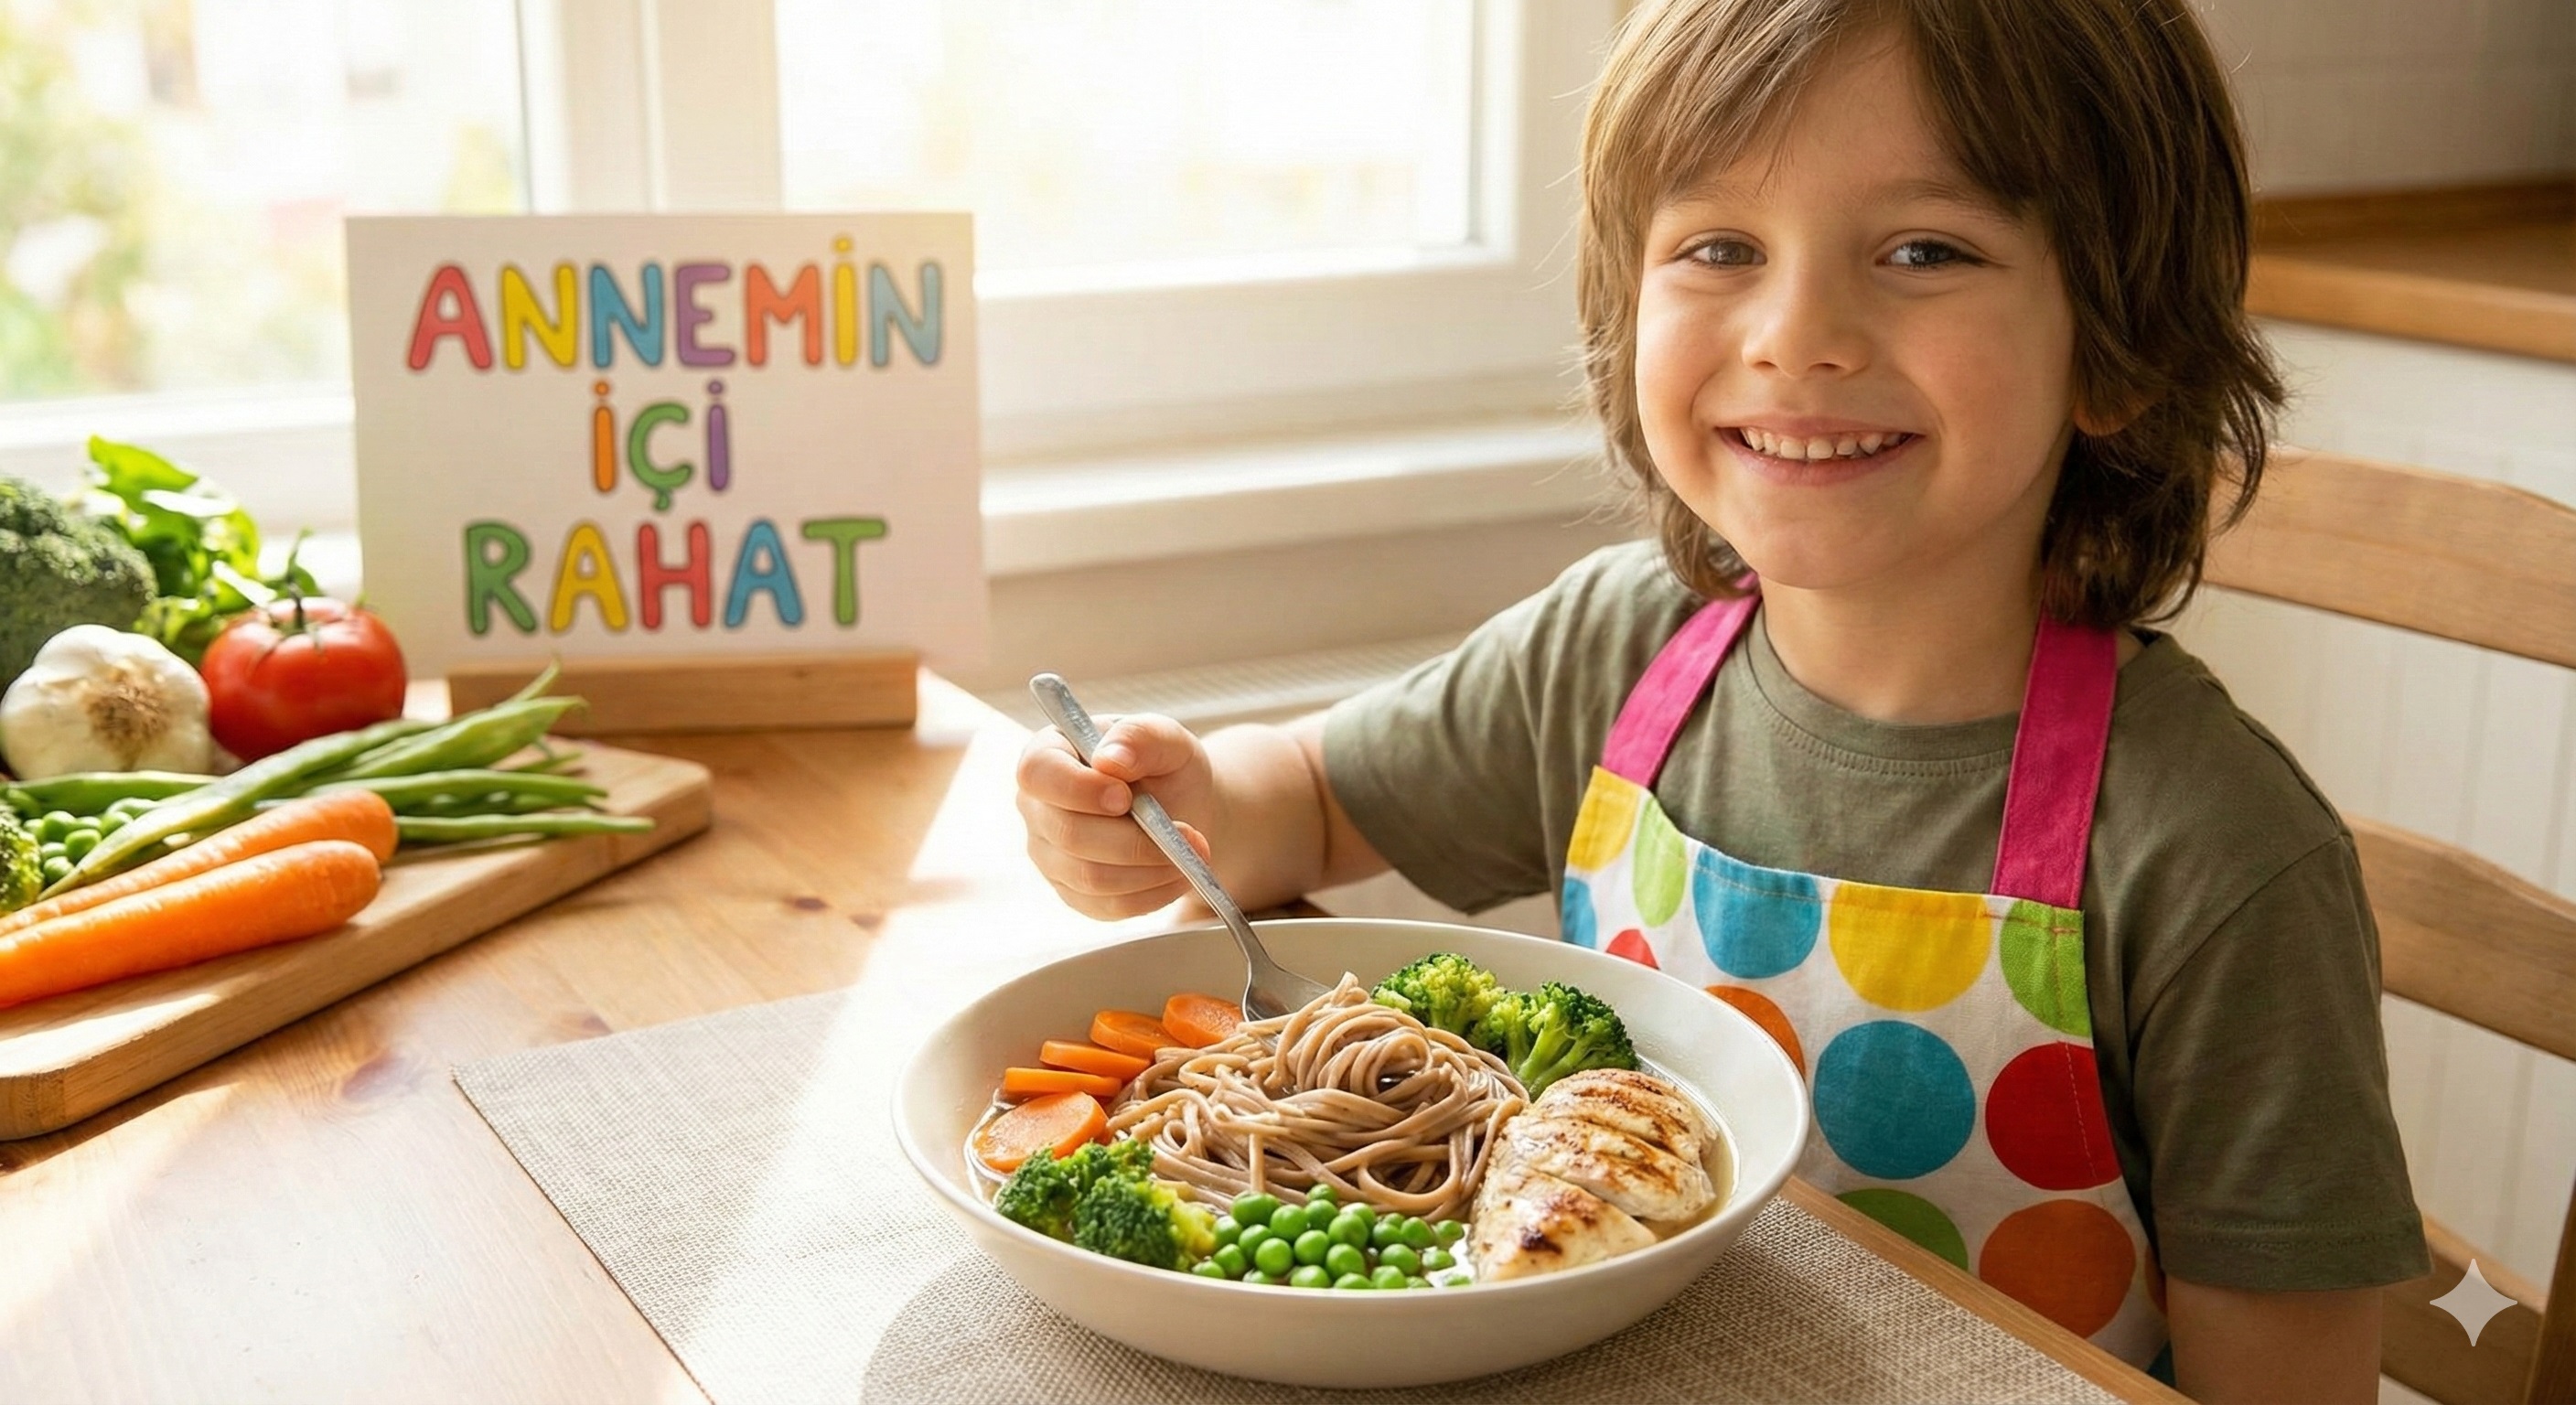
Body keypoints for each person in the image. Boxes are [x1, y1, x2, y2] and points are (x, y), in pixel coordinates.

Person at [1014, 1, 2425, 1398]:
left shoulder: (2221, 858)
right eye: (1721, 248)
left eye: (1925, 250)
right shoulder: (1613, 650)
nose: (1794, 334)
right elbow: (1312, 802)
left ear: (2117, 344)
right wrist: (1189, 807)